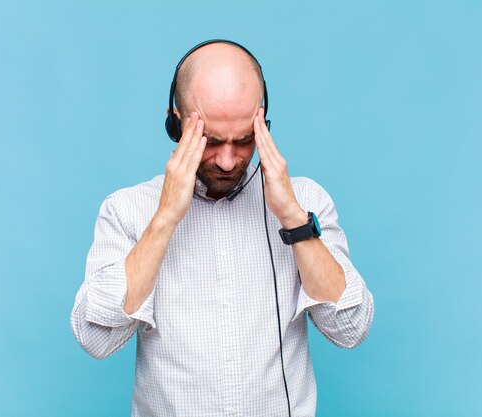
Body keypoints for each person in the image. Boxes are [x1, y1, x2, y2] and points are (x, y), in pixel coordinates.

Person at [70, 39, 374, 417]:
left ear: (263, 124)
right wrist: (165, 217)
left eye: (244, 141)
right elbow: (96, 338)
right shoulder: (127, 210)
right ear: (174, 122)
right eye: (211, 141)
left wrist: (294, 220)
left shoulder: (306, 201)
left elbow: (350, 328)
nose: (228, 161)